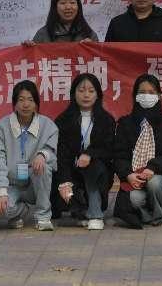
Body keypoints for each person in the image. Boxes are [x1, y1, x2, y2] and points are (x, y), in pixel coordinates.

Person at [113, 74, 162, 228]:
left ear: (159, 96)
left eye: (151, 92)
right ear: (135, 96)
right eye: (142, 92)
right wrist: (128, 174)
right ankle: (149, 216)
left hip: (161, 177)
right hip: (135, 180)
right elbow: (119, 155)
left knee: (155, 183)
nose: (146, 96)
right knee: (134, 199)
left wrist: (153, 167)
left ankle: (158, 217)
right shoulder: (126, 123)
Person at [0, 80, 58, 230]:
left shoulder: (48, 126)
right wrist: (1, 190)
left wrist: (43, 155)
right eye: (21, 100)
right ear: (14, 103)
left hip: (34, 184)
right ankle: (21, 211)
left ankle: (43, 216)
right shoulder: (1, 127)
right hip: (11, 184)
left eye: (30, 100)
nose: (26, 105)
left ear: (36, 103)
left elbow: (53, 152)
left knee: (44, 167)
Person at [53, 73, 116, 230]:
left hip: (98, 172)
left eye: (91, 91)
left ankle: (95, 214)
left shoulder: (106, 120)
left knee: (93, 168)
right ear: (73, 94)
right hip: (72, 172)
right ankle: (80, 211)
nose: (86, 95)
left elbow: (109, 150)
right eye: (81, 90)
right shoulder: (63, 120)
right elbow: (61, 154)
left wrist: (90, 154)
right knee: (65, 191)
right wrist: (65, 181)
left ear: (97, 94)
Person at [29, 0, 99, 43]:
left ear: (78, 6)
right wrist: (28, 48)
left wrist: (92, 47)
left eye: (72, 2)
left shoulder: (89, 35)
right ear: (55, 7)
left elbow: (99, 54)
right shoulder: (42, 35)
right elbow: (33, 54)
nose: (68, 7)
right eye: (63, 3)